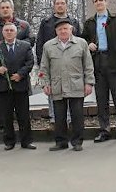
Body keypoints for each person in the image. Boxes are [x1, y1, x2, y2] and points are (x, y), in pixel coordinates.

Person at [81, 0, 116, 143]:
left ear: (106, 2)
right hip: (97, 63)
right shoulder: (89, 22)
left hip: (114, 62)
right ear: (93, 4)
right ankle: (104, 130)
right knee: (101, 100)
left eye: (101, 0)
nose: (98, 3)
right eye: (95, 1)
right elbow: (83, 39)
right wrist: (88, 43)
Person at [40, 18, 95, 151]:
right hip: (57, 86)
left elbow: (88, 65)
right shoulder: (48, 46)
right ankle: (61, 142)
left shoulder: (81, 43)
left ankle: (77, 142)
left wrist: (89, 83)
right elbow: (44, 67)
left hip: (76, 84)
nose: (63, 31)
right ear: (56, 31)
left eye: (66, 28)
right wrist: (45, 83)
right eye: (60, 29)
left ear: (71, 29)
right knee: (59, 116)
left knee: (77, 116)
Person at [0, 0, 33, 133]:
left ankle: (25, 135)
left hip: (19, 68)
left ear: (12, 9)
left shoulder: (23, 25)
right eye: (2, 7)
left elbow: (30, 39)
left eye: (7, 7)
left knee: (22, 105)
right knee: (0, 100)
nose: (5, 9)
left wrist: (17, 46)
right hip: (1, 69)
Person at [0, 22, 36, 150]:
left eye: (11, 30)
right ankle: (9, 141)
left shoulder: (25, 46)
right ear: (3, 33)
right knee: (6, 116)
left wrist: (20, 74)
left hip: (20, 86)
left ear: (16, 32)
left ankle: (26, 141)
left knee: (23, 115)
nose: (9, 32)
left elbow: (30, 62)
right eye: (6, 30)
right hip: (3, 87)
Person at [35, 0, 81, 129]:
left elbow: (79, 41)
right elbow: (40, 42)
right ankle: (54, 118)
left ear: (67, 5)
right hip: (52, 61)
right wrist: (41, 61)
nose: (60, 5)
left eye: (62, 3)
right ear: (53, 6)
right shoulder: (46, 22)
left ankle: (71, 118)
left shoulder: (74, 22)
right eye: (57, 3)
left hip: (72, 62)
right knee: (53, 91)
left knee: (72, 90)